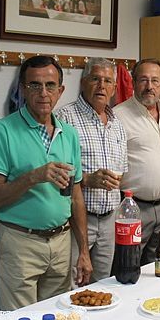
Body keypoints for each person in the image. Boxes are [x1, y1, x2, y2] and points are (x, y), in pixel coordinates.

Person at [0, 56, 92, 309]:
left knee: (56, 318)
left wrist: (84, 250)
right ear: (22, 89)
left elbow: (76, 196)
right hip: (21, 243)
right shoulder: (2, 131)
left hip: (61, 241)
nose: (43, 93)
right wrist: (34, 176)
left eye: (50, 85)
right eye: (34, 85)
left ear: (60, 90)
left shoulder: (69, 133)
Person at [56, 58, 127, 281]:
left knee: (103, 286)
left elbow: (121, 171)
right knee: (72, 286)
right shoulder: (64, 118)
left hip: (109, 220)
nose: (101, 86)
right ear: (84, 82)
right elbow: (57, 175)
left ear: (114, 88)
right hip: (76, 220)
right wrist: (87, 179)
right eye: (95, 79)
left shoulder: (117, 123)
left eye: (107, 81)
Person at [115, 59, 160, 264]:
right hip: (135, 208)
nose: (149, 86)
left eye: (154, 80)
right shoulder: (119, 115)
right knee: (129, 265)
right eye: (143, 80)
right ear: (133, 82)